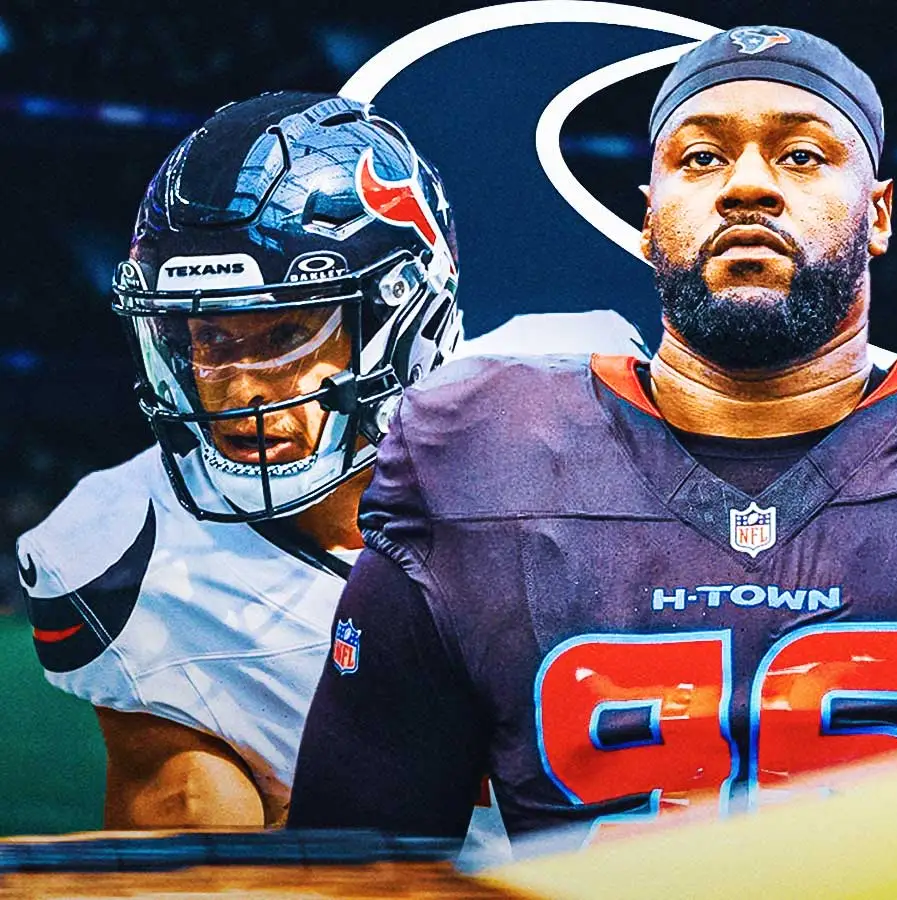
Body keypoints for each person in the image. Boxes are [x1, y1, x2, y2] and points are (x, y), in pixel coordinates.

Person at [288, 25, 897, 842]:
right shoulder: (475, 452)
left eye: (802, 154)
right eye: (703, 156)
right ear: (647, 216)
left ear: (880, 213)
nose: (749, 185)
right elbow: (358, 867)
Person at [13, 92, 646, 831]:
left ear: (403, 314)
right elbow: (193, 844)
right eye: (210, 339)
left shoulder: (579, 401)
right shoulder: (124, 555)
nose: (239, 384)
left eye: (284, 331)